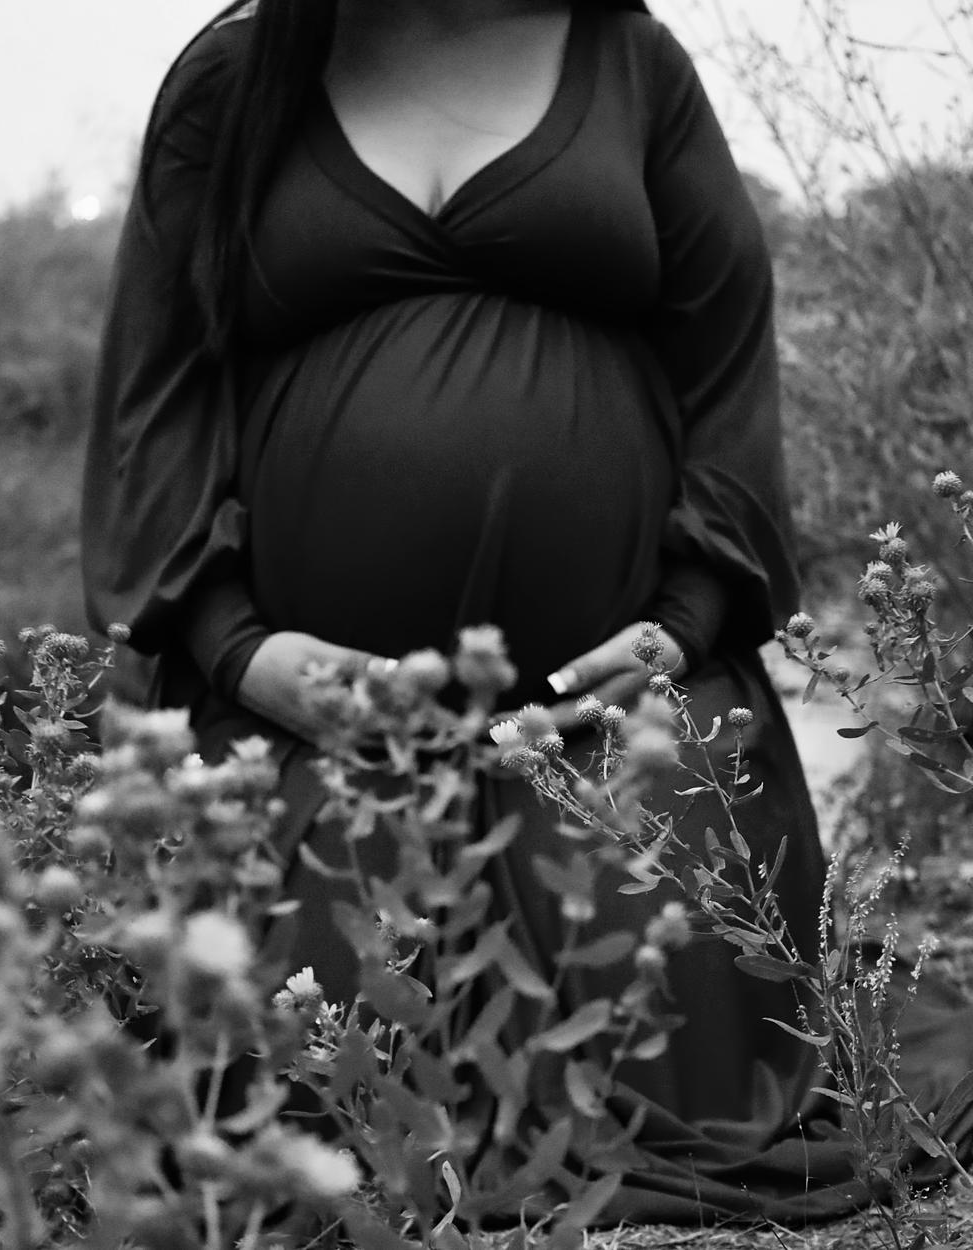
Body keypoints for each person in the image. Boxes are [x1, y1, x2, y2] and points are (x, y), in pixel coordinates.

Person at [80, 0, 973, 1225]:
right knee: (303, 1093)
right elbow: (156, 396)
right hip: (309, 739)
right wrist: (240, 648)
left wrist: (684, 617)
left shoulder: (626, 61)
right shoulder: (237, 77)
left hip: (619, 727)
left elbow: (725, 357)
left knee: (672, 1054)